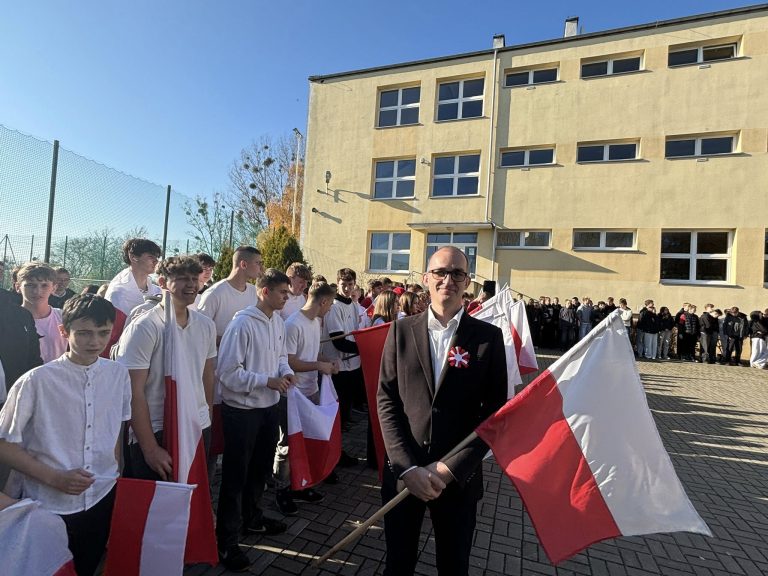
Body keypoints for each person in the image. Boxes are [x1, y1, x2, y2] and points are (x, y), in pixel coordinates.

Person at [377, 247, 507, 576]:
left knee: (453, 566)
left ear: (467, 282)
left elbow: (496, 413)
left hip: (457, 479)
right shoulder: (400, 331)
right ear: (426, 278)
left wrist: (449, 468)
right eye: (440, 272)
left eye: (457, 273)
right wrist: (407, 467)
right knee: (398, 565)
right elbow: (386, 399)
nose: (448, 279)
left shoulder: (489, 338)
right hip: (405, 474)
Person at [0, 295, 131, 576]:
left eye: (103, 332)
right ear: (64, 331)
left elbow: (116, 429)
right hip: (48, 504)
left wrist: (116, 474)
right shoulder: (35, 381)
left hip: (101, 494)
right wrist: (55, 478)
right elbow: (4, 444)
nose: (95, 341)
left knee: (87, 566)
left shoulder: (118, 374)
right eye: (84, 333)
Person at [215, 269, 295, 571]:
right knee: (235, 477)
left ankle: (252, 518)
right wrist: (266, 381)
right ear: (264, 292)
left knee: (260, 471)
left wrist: (286, 372)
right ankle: (226, 541)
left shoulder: (277, 322)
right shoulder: (242, 324)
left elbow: (281, 357)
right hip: (242, 412)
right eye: (282, 292)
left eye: (287, 292)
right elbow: (227, 373)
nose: (287, 297)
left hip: (268, 408)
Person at [116, 257, 216, 481]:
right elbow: (133, 391)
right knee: (158, 500)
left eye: (194, 278)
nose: (191, 284)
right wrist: (150, 448)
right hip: (158, 428)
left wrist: (206, 416)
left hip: (197, 426)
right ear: (162, 282)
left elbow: (207, 375)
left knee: (194, 495)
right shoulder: (145, 326)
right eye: (182, 278)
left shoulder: (206, 325)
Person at [273, 281, 338, 515]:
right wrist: (319, 366)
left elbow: (313, 352)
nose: (330, 309)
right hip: (292, 394)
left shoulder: (315, 322)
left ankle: (302, 483)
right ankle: (282, 490)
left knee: (308, 439)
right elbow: (289, 361)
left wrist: (327, 361)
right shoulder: (293, 324)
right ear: (323, 301)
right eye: (330, 304)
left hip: (310, 390)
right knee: (287, 444)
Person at [18, 262, 68, 363]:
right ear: (18, 287)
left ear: (54, 288)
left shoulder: (64, 317)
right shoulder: (7, 319)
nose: (37, 291)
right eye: (30, 285)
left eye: (44, 285)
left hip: (57, 373)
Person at [104, 238, 162, 315]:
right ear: (133, 257)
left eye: (157, 257)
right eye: (150, 256)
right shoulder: (118, 293)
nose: (156, 261)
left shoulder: (158, 291)